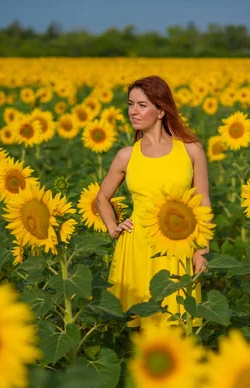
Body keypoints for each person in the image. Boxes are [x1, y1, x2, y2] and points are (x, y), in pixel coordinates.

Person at [96, 75, 212, 328]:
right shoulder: (126, 156)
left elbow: (202, 203)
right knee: (140, 328)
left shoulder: (191, 150)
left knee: (179, 324)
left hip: (178, 244)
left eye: (141, 105)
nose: (133, 112)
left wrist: (201, 251)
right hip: (137, 247)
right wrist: (113, 228)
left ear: (161, 111)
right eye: (130, 104)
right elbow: (102, 198)